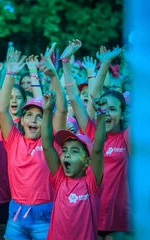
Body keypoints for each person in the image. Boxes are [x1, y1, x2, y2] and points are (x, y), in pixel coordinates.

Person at [62, 40, 131, 239]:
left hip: (117, 219)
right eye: (104, 107)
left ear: (122, 114)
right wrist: (66, 61)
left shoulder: (126, 137)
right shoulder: (91, 131)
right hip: (88, 213)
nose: (107, 113)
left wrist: (130, 65)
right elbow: (76, 97)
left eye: (113, 109)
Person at [0, 50, 67, 239]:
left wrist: (53, 76)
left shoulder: (52, 141)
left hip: (44, 219)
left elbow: (61, 109)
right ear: (21, 120)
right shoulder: (13, 141)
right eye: (29, 115)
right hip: (16, 218)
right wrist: (10, 75)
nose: (34, 120)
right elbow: (1, 110)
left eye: (40, 116)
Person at [41, 90, 106, 240]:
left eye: (75, 151)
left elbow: (97, 150)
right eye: (64, 150)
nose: (67, 154)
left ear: (87, 162)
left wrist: (101, 115)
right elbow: (47, 146)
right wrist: (46, 111)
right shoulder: (59, 179)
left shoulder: (91, 183)